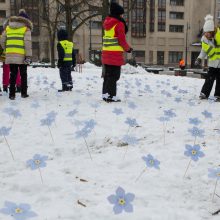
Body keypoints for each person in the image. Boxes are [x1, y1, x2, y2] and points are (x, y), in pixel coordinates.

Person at [102, 1, 132, 102]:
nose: (122, 16)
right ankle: (111, 96)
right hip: (114, 55)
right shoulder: (119, 24)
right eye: (121, 14)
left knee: (107, 76)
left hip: (106, 53)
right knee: (114, 76)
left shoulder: (107, 22)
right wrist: (128, 49)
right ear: (118, 13)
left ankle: (105, 94)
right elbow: (121, 40)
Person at [0, 9, 33, 100]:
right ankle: (23, 93)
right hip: (22, 56)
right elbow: (27, 43)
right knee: (23, 74)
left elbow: (2, 41)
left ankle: (12, 94)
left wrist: (7, 49)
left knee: (13, 74)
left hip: (10, 54)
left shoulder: (8, 28)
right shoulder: (26, 28)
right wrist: (28, 56)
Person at [195, 15, 220, 101]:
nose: (206, 34)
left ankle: (219, 95)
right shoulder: (204, 39)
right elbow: (204, 50)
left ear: (212, 31)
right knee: (209, 78)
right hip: (212, 63)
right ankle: (204, 93)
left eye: (208, 32)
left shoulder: (219, 36)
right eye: (205, 32)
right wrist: (199, 58)